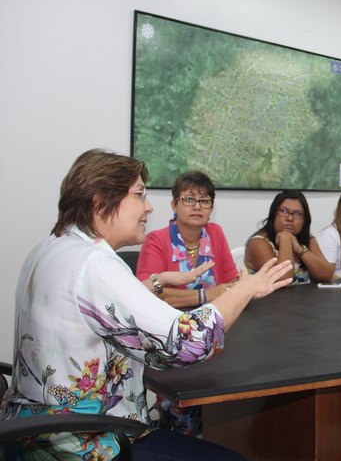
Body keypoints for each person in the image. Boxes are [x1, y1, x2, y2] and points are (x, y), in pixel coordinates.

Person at [0, 149, 292, 460]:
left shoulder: (51, 247)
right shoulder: (95, 264)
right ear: (101, 202)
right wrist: (244, 288)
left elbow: (89, 310)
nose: (149, 206)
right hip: (85, 441)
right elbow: (186, 344)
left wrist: (154, 282)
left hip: (31, 430)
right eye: (139, 194)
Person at [135, 171, 239, 436]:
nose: (197, 206)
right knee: (188, 407)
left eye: (205, 201)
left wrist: (217, 293)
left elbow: (229, 285)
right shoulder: (157, 240)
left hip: (214, 333)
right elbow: (150, 295)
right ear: (174, 204)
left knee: (231, 392)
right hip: (169, 336)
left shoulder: (214, 233)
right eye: (189, 199)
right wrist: (206, 296)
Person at [244, 189, 333, 284]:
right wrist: (285, 239)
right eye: (283, 211)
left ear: (304, 220)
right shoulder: (258, 243)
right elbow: (283, 280)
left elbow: (326, 275)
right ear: (273, 215)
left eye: (298, 214)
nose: (290, 218)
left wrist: (300, 250)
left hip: (303, 298)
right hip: (268, 298)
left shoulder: (307, 240)